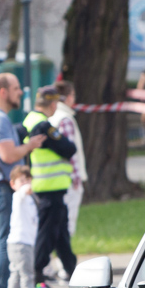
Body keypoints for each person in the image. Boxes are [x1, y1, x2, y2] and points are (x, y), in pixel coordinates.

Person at [0, 73, 46, 288]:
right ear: (3, 92)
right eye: (17, 88)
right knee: (3, 241)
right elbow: (8, 155)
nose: (20, 93)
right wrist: (31, 145)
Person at [23, 88, 79, 288]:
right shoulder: (43, 125)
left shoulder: (29, 120)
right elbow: (68, 149)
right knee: (46, 236)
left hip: (50, 188)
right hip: (49, 187)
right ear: (53, 104)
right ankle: (37, 279)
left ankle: (73, 273)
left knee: (61, 234)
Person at [5, 165, 46, 288]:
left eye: (28, 180)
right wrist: (24, 188)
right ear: (13, 184)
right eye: (21, 181)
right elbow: (22, 192)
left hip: (24, 242)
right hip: (21, 242)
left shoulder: (30, 199)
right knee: (27, 273)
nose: (26, 184)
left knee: (16, 272)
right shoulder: (18, 197)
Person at [49, 81, 86, 239]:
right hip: (68, 180)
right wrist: (76, 178)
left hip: (55, 178)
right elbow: (70, 152)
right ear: (69, 97)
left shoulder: (52, 118)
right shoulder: (65, 119)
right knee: (68, 224)